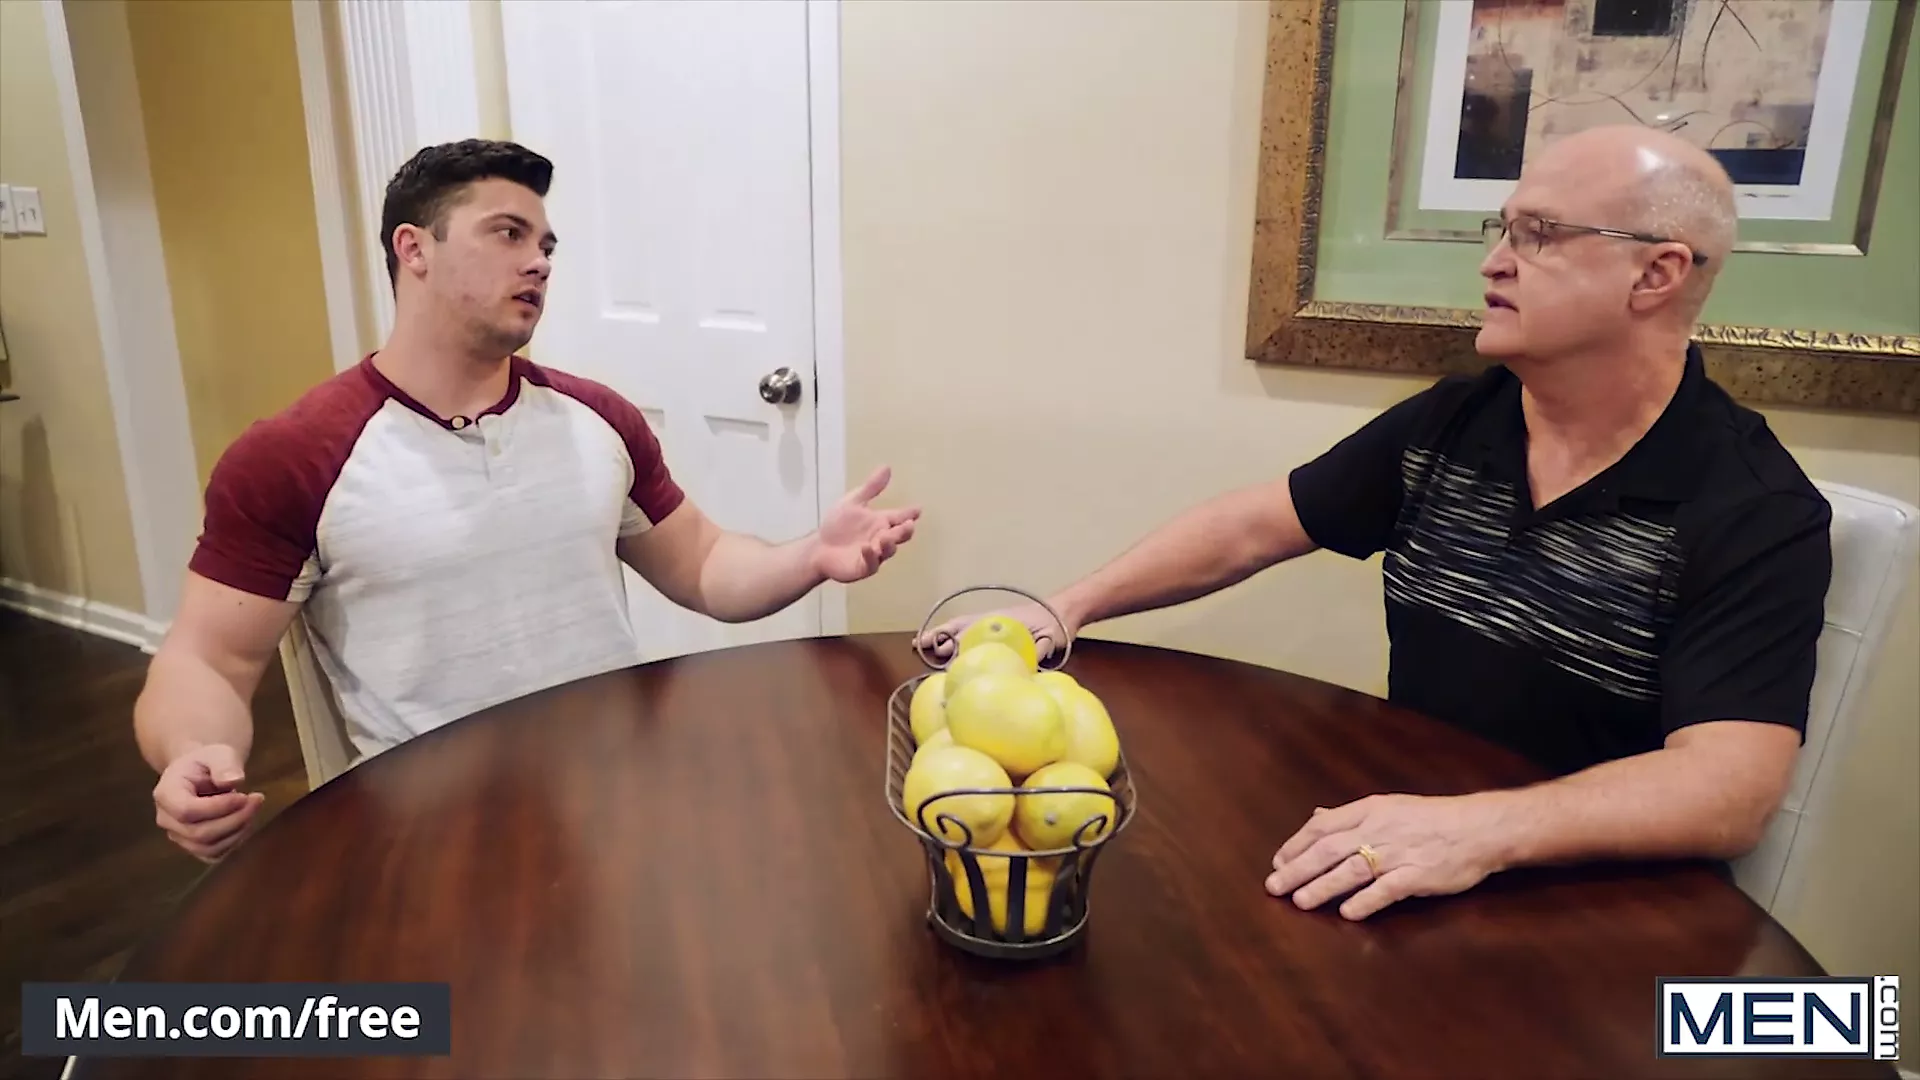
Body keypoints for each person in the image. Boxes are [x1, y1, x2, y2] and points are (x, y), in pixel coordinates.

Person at [925, 125, 1831, 921]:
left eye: (1539, 234)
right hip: (1407, 850)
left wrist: (1481, 831)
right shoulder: (1456, 421)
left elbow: (1727, 791)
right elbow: (1253, 526)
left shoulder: (1755, 508)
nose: (1494, 262)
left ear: (1657, 274)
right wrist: (1066, 609)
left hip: (1595, 911)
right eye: (1501, 229)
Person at [137, 139, 919, 862]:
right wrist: (193, 754)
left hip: (620, 803)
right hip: (430, 841)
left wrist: (812, 555)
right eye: (508, 234)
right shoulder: (295, 456)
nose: (538, 262)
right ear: (414, 249)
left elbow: (705, 564)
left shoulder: (597, 419)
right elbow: (209, 658)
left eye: (546, 245)